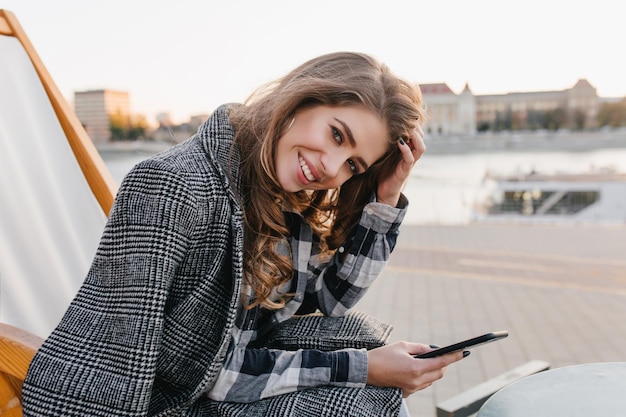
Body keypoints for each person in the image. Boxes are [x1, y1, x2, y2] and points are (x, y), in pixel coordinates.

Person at [22, 52, 466, 417]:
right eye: (336, 134)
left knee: (373, 388)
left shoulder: (283, 191)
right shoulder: (173, 187)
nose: (332, 167)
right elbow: (184, 371)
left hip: (228, 379)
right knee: (362, 399)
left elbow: (329, 301)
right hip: (173, 402)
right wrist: (361, 368)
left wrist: (386, 197)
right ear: (300, 99)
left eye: (352, 164)